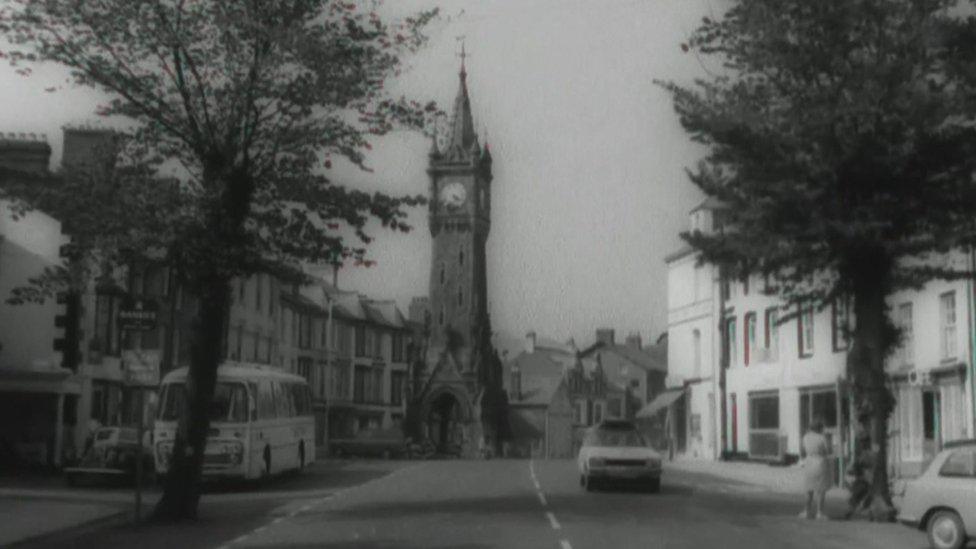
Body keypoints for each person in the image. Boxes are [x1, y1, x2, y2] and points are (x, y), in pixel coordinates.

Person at [799, 418, 832, 520]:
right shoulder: (822, 438)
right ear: (820, 428)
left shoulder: (805, 437)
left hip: (809, 462)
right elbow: (828, 450)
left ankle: (806, 511)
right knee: (821, 489)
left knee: (809, 489)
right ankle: (819, 512)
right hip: (820, 463)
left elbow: (802, 450)